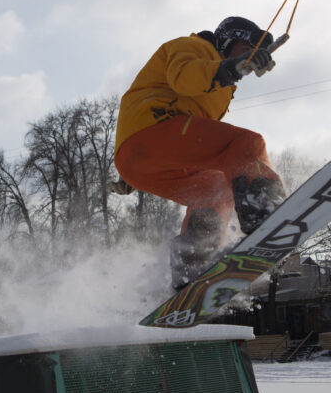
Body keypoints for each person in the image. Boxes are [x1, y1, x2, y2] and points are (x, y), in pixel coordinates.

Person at [113, 16, 287, 290]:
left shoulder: (221, 86)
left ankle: (191, 266)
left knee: (216, 188)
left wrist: (130, 177)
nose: (248, 59)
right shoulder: (192, 47)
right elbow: (184, 78)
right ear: (228, 41)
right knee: (245, 146)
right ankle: (264, 210)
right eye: (246, 49)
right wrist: (229, 68)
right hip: (155, 127)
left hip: (141, 161)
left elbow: (198, 141)